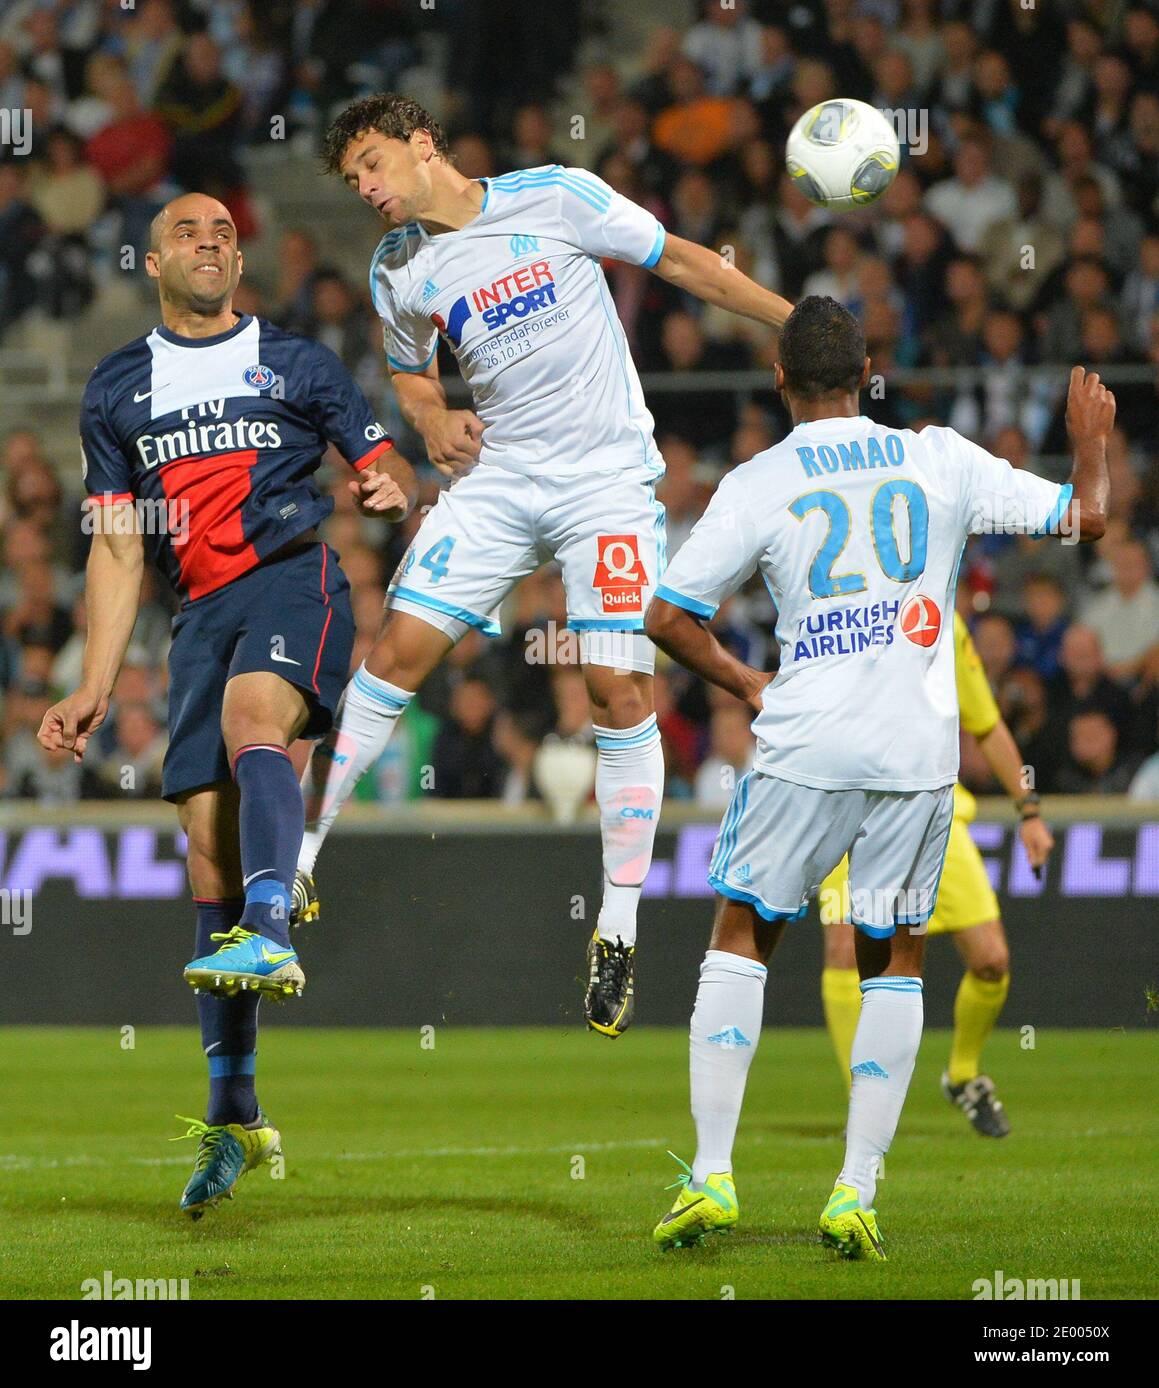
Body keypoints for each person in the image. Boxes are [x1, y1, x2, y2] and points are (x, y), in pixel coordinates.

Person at [292, 94, 793, 1038]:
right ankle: (305, 859)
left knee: (615, 687)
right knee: (396, 652)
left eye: (370, 164)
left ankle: (616, 925)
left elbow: (680, 261)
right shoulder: (398, 266)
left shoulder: (557, 196)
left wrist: (791, 320)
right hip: (498, 477)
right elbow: (407, 368)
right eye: (351, 178)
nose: (364, 188)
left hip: (603, 481)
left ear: (422, 146)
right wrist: (432, 415)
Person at [644, 296, 1110, 1259]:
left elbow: (668, 616)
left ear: (778, 380)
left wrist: (746, 683)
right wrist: (1087, 447)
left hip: (805, 745)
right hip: (914, 755)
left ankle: (712, 1177)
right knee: (894, 958)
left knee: (742, 936)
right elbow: (1084, 518)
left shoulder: (759, 479)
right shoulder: (938, 457)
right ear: (869, 373)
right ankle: (853, 1193)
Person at [37, 193, 417, 1219]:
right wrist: (94, 681)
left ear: (239, 259)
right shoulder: (119, 389)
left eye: (223, 234)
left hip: (294, 577)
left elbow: (383, 463)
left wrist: (389, 486)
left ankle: (272, 917)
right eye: (188, 233)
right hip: (198, 616)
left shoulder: (297, 363)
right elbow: (117, 547)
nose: (209, 242)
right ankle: (235, 1114)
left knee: (261, 722)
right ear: (152, 258)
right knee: (206, 852)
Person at [819, 610, 1055, 1139]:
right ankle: (861, 1094)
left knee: (992, 961)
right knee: (842, 949)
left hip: (935, 812)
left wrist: (1029, 811)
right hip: (852, 806)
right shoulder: (843, 605)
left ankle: (963, 1074)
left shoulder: (944, 623)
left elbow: (987, 724)